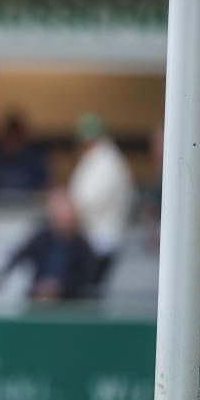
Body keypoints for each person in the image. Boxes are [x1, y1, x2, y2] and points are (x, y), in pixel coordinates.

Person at [0, 188, 94, 302]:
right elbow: (15, 259)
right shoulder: (41, 238)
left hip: (69, 306)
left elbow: (86, 279)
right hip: (36, 301)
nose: (64, 219)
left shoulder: (82, 246)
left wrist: (60, 287)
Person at [67, 113, 134, 291]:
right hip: (95, 239)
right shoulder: (100, 159)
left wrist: (69, 210)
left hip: (100, 240)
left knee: (87, 293)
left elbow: (87, 202)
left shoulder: (107, 162)